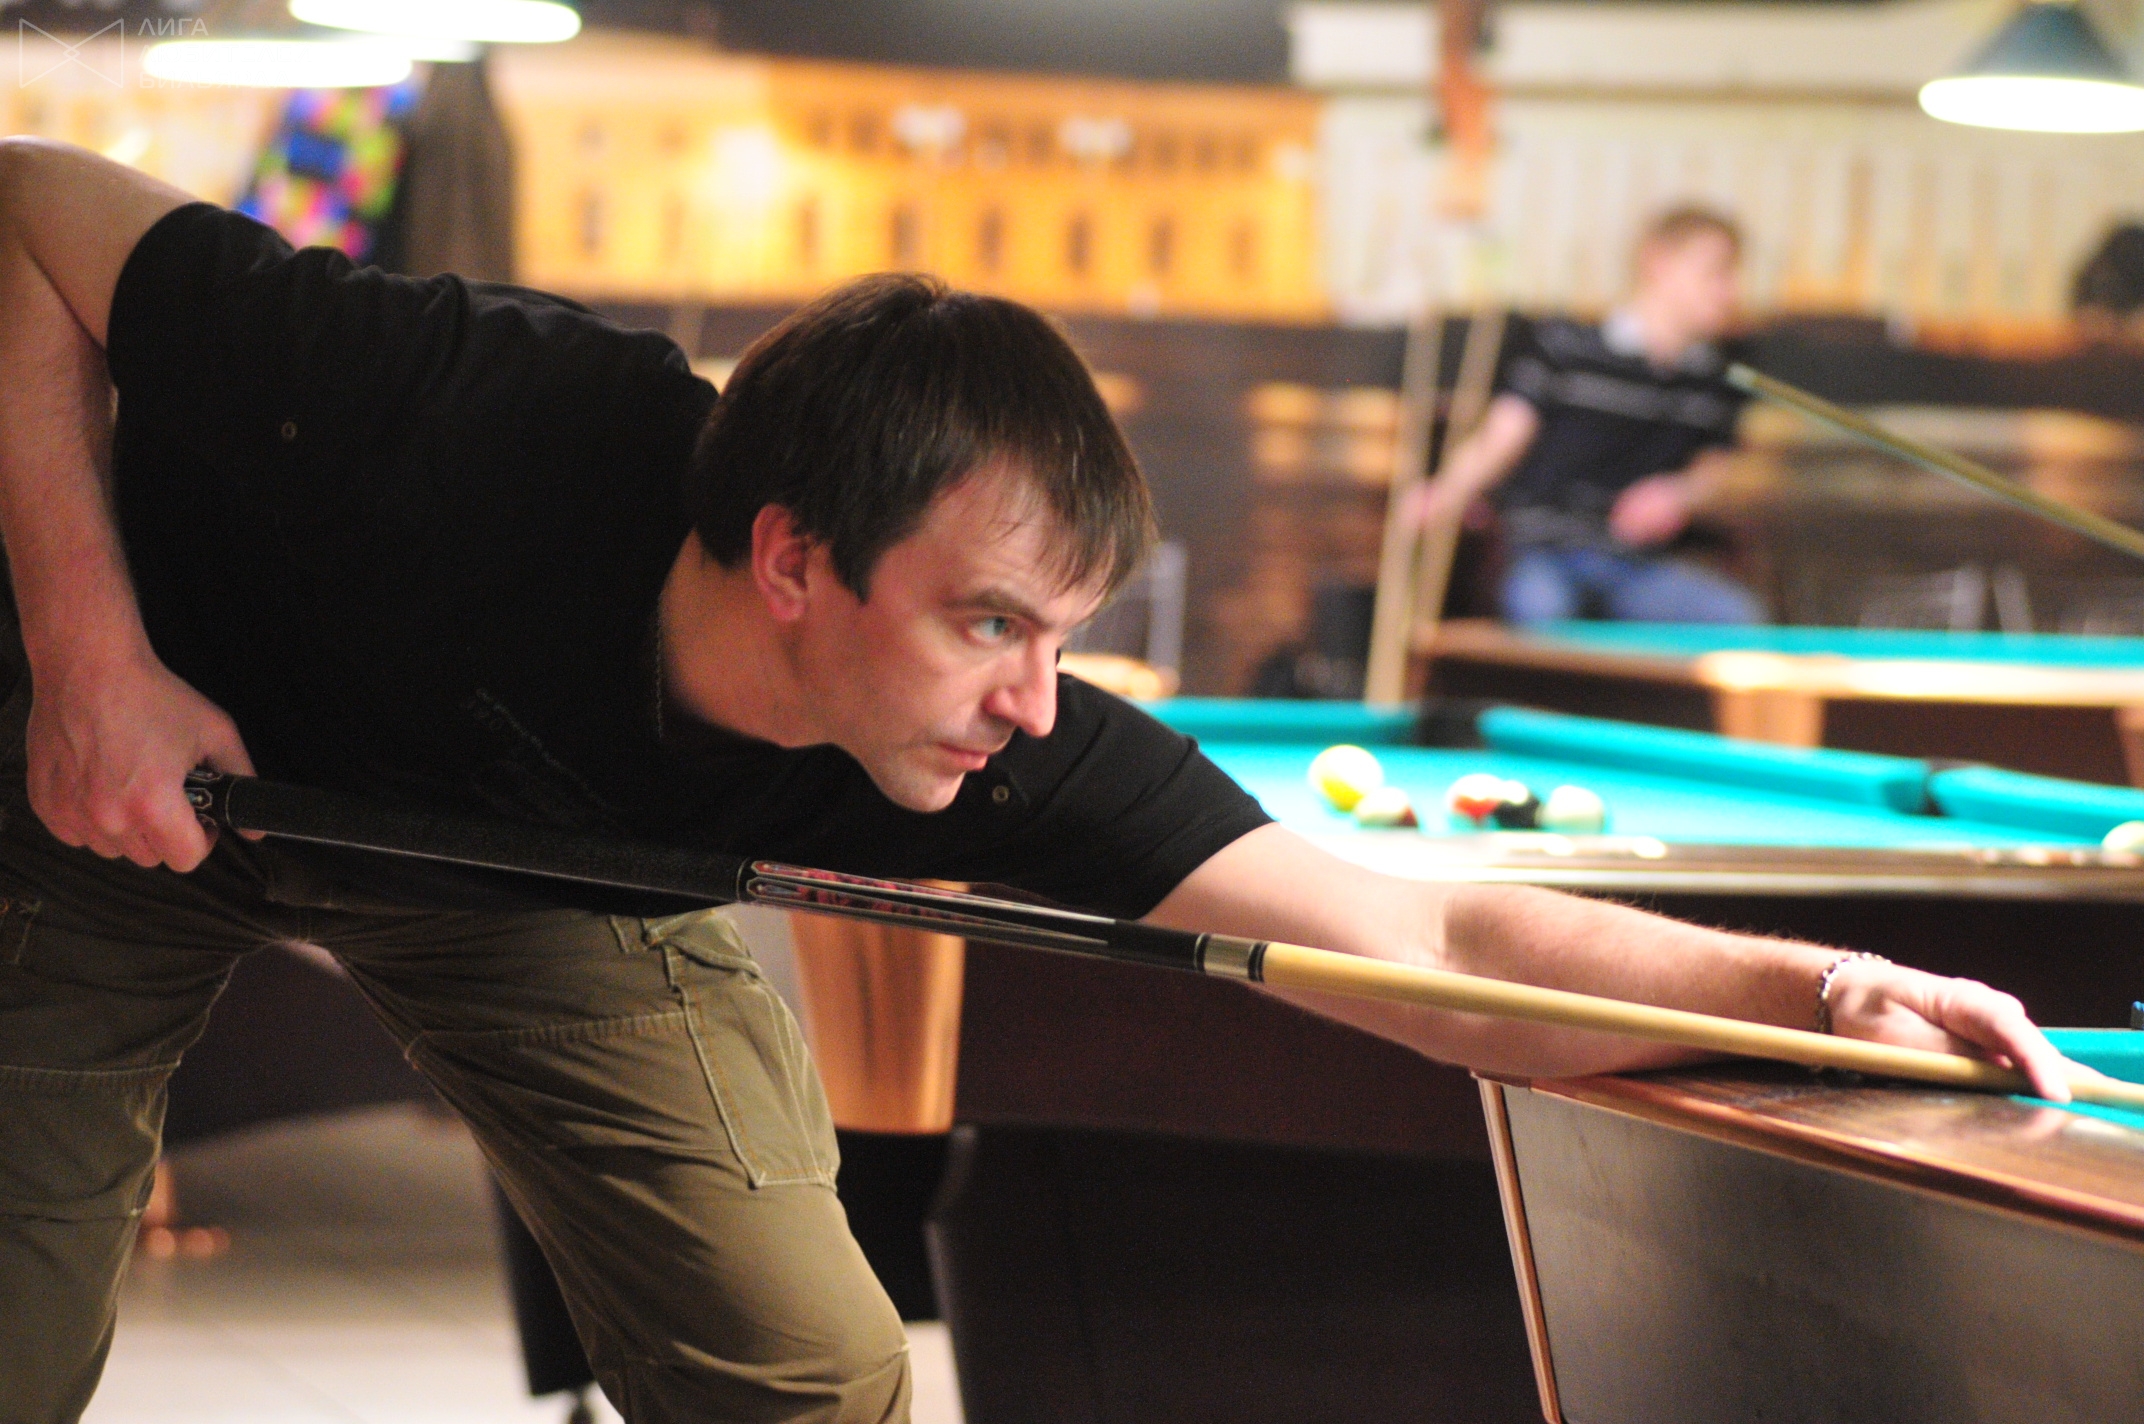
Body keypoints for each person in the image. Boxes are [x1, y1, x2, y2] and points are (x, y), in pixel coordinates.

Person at [0, 139, 2075, 1424]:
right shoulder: (468, 406)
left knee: (808, 1378)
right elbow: (26, 203)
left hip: (544, 874)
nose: (1028, 699)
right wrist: (94, 660)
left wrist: (1811, 991)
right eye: (986, 620)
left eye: (1059, 633)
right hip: (120, 788)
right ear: (790, 559)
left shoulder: (991, 742)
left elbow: (1427, 935)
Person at [1410, 206, 1766, 625]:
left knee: (1735, 616)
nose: (1729, 290)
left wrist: (1678, 493)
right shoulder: (1565, 347)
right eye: (1716, 272)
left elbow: (1715, 469)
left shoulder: (1714, 377)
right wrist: (1446, 492)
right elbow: (1502, 437)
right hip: (1546, 555)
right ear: (1657, 262)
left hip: (1638, 566)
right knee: (1543, 608)